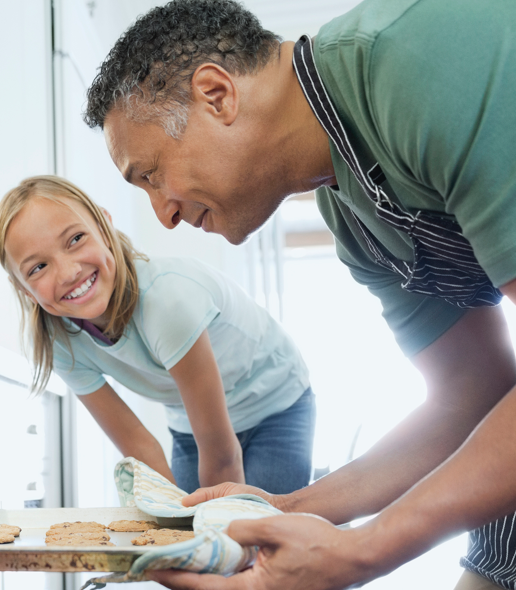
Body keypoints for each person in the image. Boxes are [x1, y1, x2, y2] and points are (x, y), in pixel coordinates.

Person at [82, 0, 516, 588]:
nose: (163, 216)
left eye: (152, 174)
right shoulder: (353, 218)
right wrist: (283, 509)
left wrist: (366, 549)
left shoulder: (415, 65)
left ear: (217, 95)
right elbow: (472, 394)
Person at [0, 175, 315, 496]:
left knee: (264, 531)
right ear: (25, 290)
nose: (68, 272)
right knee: (180, 519)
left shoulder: (167, 300)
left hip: (275, 403)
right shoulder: (59, 343)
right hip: (190, 423)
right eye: (38, 268)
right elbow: (137, 445)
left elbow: (221, 454)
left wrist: (218, 532)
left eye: (76, 239)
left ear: (104, 227)